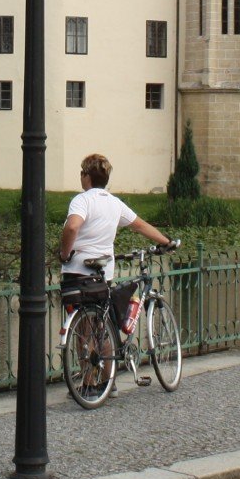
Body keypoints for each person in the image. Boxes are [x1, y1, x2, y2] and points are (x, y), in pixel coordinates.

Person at [58, 154, 171, 389]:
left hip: (78, 273)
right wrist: (165, 241)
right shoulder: (113, 202)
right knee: (102, 326)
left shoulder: (82, 200)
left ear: (87, 177)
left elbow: (72, 226)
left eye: (82, 173)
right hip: (102, 274)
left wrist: (65, 253)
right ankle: (108, 383)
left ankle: (89, 382)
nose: (81, 177)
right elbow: (139, 225)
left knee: (83, 328)